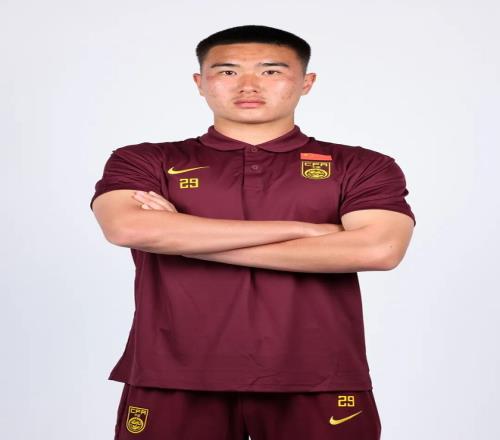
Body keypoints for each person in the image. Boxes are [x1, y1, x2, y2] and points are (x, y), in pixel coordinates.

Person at [90, 24, 415, 440]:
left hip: (319, 376)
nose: (248, 85)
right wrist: (304, 230)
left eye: (271, 71)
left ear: (306, 82)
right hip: (171, 374)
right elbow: (127, 227)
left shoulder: (361, 165)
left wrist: (182, 240)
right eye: (227, 72)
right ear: (200, 83)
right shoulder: (145, 160)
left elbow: (379, 249)